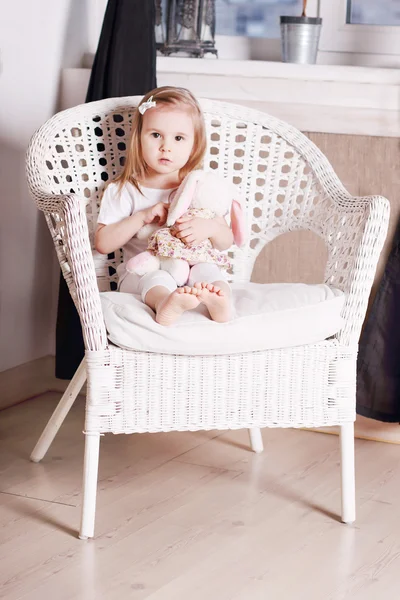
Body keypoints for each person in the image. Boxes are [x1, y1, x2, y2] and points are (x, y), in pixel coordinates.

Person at [95, 86, 235, 326]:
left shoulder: (199, 187)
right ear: (138, 138)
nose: (166, 147)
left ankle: (220, 302)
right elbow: (102, 243)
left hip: (190, 268)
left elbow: (226, 241)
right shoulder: (124, 189)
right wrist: (142, 217)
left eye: (178, 138)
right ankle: (165, 304)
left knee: (207, 271)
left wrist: (210, 228)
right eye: (156, 135)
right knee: (156, 277)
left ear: (194, 144)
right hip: (141, 272)